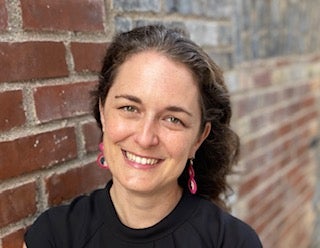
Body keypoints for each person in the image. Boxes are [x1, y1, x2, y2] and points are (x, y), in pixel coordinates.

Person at [24, 25, 262, 247]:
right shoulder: (54, 236)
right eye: (129, 108)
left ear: (198, 138)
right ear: (103, 114)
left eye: (173, 119)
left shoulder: (231, 241)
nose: (145, 138)